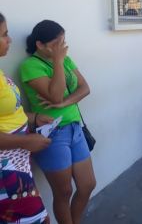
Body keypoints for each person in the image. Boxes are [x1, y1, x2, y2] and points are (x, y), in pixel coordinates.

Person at [20, 20, 96, 224]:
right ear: (40, 45)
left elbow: (84, 88)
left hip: (74, 128)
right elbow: (54, 95)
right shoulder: (30, 66)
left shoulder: (65, 59)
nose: (63, 47)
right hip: (53, 133)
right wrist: (58, 62)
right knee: (64, 192)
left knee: (87, 184)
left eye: (64, 41)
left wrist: (65, 101)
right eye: (57, 42)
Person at [0, 12, 51, 223]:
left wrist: (34, 117)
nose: (9, 39)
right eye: (4, 34)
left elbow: (9, 113)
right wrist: (26, 141)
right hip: (6, 166)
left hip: (17, 159)